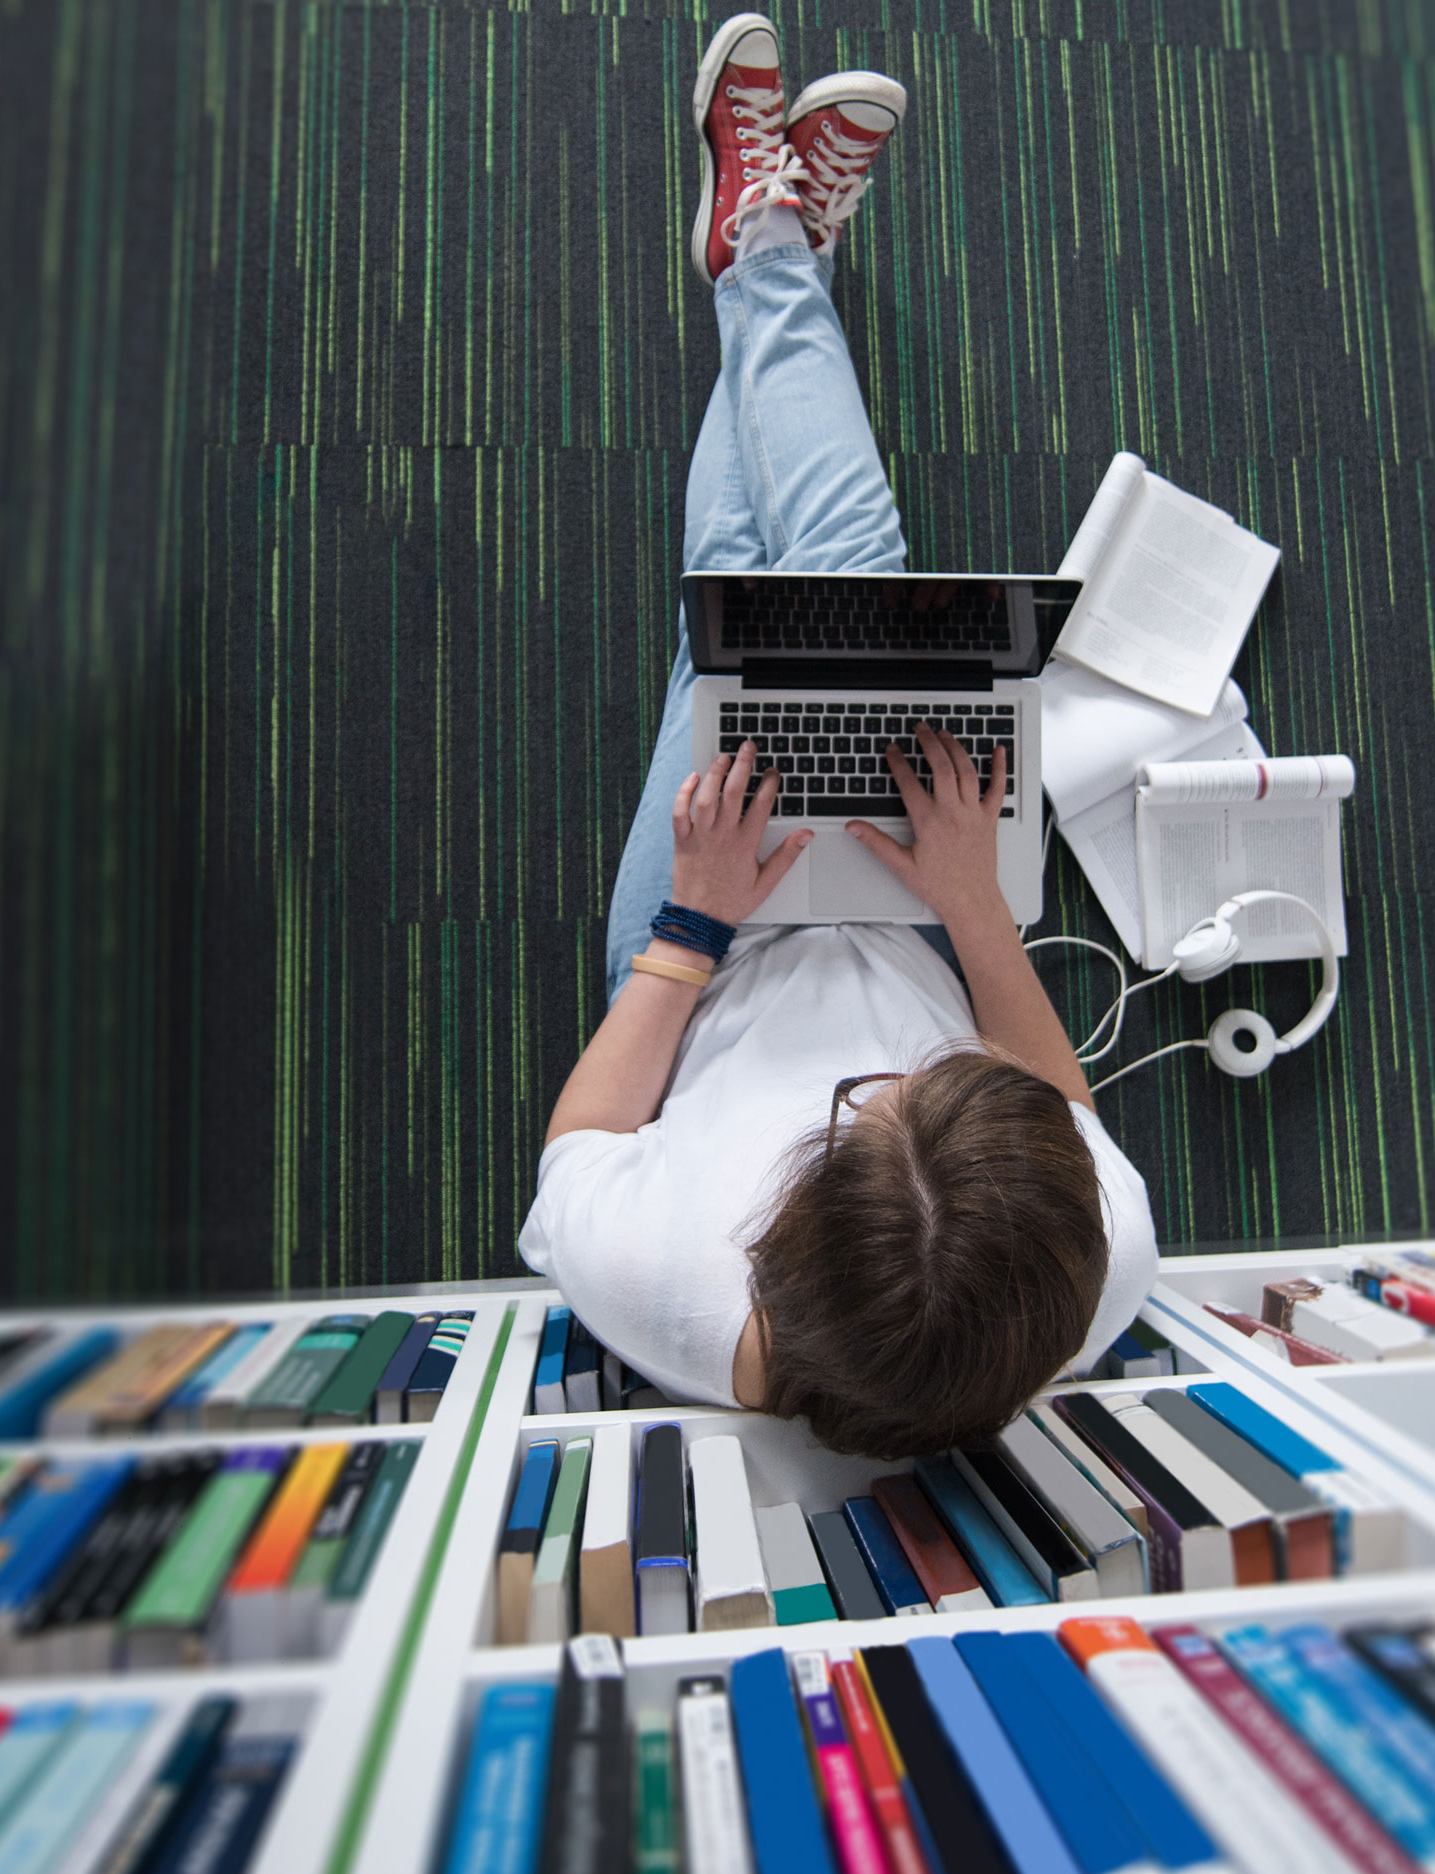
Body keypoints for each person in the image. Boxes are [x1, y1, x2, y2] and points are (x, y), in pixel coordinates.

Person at [516, 14, 1157, 1459]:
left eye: (869, 1108)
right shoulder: (1095, 1262)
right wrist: (975, 913)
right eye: (937, 1086)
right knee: (814, 600)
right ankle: (761, 251)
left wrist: (693, 921)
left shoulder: (661, 1286)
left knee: (751, 626)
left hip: (700, 948)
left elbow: (584, 1140)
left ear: (779, 1233)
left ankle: (770, 247)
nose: (885, 1072)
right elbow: (1058, 1102)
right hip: (932, 920)